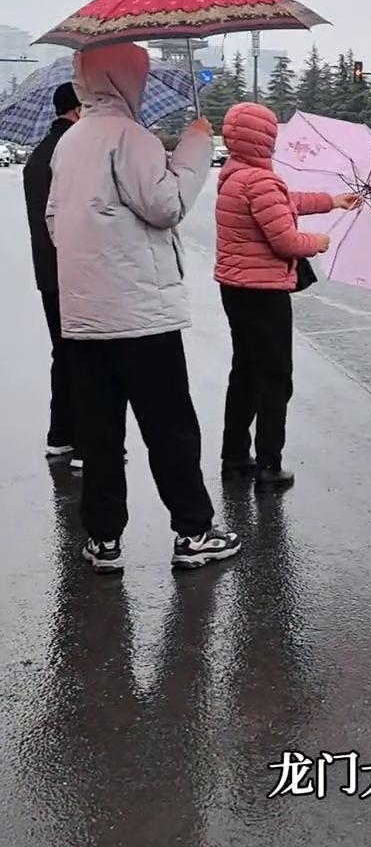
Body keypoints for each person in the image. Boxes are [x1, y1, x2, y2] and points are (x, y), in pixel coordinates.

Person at [46, 42, 239, 574]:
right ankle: (193, 532)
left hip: (84, 313)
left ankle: (104, 541)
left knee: (101, 432)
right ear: (128, 76)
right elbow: (166, 206)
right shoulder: (132, 137)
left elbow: (54, 218)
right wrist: (196, 148)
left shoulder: (72, 141)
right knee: (169, 426)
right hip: (139, 313)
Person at [215, 102, 358, 492]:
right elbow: (286, 240)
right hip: (264, 294)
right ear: (264, 138)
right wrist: (320, 242)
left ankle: (235, 457)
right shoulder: (260, 181)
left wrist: (333, 200)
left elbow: (286, 202)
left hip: (236, 288)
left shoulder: (234, 175)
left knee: (244, 372)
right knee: (275, 378)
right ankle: (269, 464)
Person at [23, 82, 82, 463]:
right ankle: (86, 444)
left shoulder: (36, 157)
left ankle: (60, 435)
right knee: (87, 356)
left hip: (47, 272)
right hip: (78, 269)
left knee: (63, 353)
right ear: (78, 109)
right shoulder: (74, 153)